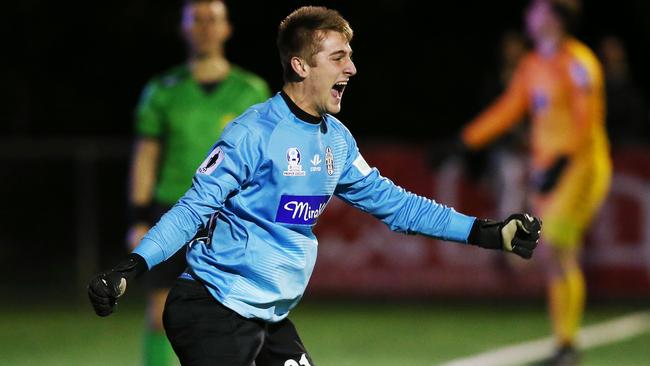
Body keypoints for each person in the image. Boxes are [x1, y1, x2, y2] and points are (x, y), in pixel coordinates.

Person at [90, 6, 541, 365]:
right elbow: (192, 209)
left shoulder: (337, 142)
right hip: (212, 310)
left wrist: (486, 232)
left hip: (269, 319)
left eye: (351, 55)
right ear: (301, 65)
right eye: (339, 57)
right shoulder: (253, 133)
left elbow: (398, 206)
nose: (353, 68)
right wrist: (132, 267)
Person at [460, 1, 611, 364]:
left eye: (538, 9)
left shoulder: (578, 63)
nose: (530, 14)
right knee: (557, 255)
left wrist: (561, 163)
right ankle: (566, 345)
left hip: (580, 169)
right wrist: (466, 140)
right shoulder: (533, 65)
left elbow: (586, 120)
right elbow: (510, 108)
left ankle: (566, 345)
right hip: (550, 173)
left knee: (556, 246)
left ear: (555, 18)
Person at [127, 0, 270, 364]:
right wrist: (139, 217)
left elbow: (269, 159)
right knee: (160, 312)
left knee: (240, 312)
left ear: (227, 29)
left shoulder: (251, 90)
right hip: (175, 212)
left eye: (213, 20)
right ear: (184, 29)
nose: (206, 27)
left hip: (231, 216)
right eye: (198, 20)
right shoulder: (163, 90)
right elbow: (146, 157)